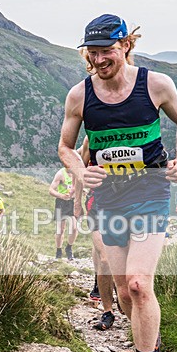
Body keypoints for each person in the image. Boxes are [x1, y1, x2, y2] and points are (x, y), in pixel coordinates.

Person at [58, 13, 177, 352]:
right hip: (109, 199)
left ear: (125, 46)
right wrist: (81, 171)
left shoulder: (155, 85)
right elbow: (66, 147)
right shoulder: (79, 96)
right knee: (122, 293)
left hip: (150, 191)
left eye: (106, 51)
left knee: (138, 284)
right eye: (92, 52)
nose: (99, 59)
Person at [75, 138, 115, 330]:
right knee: (105, 258)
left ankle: (121, 292)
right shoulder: (90, 137)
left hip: (126, 201)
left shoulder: (132, 130)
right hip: (97, 202)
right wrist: (77, 202)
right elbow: (78, 169)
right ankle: (108, 310)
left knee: (118, 256)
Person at [48, 167, 77, 260]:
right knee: (60, 230)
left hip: (72, 202)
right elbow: (51, 190)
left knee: (74, 228)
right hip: (61, 202)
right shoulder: (60, 174)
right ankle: (58, 251)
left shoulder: (76, 172)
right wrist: (61, 196)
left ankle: (69, 248)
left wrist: (82, 191)